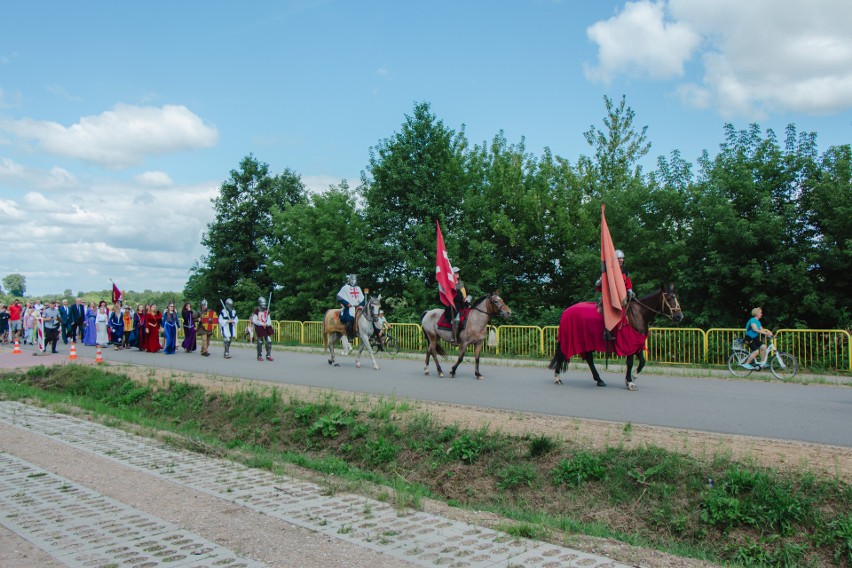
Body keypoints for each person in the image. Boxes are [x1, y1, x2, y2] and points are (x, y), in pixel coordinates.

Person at [336, 274, 365, 353]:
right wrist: (346, 303)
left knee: (367, 317)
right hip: (349, 308)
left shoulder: (358, 288)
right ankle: (350, 335)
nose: (353, 281)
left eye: (354, 279)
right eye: (352, 279)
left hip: (358, 308)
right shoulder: (345, 288)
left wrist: (361, 305)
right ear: (349, 280)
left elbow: (362, 299)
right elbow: (339, 297)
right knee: (350, 318)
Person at [444, 267, 468, 345]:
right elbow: (449, 294)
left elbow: (465, 293)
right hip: (454, 305)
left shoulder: (461, 283)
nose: (457, 274)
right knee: (456, 319)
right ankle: (453, 338)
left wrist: (467, 298)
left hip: (463, 304)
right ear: (452, 274)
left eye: (458, 272)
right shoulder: (450, 283)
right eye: (455, 272)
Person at [251, 296, 274, 361]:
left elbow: (269, 319)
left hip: (266, 326)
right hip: (259, 327)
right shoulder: (257, 310)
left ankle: (268, 355)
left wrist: (266, 324)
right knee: (260, 341)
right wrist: (262, 324)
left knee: (269, 340)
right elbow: (254, 320)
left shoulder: (267, 310)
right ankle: (259, 356)